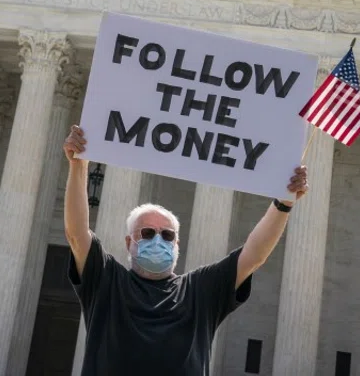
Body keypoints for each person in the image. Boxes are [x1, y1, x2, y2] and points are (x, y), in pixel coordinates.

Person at [62, 125, 309, 375]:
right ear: (129, 242)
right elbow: (76, 234)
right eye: (147, 233)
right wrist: (78, 166)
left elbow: (254, 256)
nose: (158, 240)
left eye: (167, 235)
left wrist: (283, 203)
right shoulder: (107, 280)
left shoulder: (198, 290)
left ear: (176, 244)